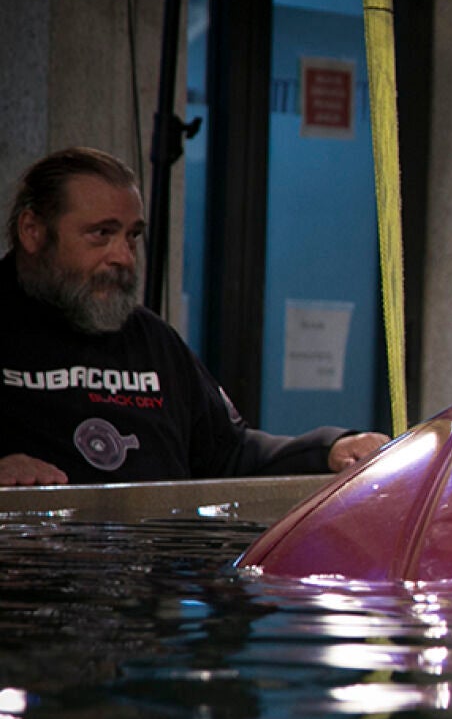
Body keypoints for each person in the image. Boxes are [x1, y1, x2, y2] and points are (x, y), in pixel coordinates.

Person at [0, 148, 389, 486]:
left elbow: (230, 454)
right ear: (33, 230)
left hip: (154, 568)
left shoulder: (152, 341)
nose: (123, 256)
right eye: (101, 233)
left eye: (132, 236)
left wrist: (329, 450)